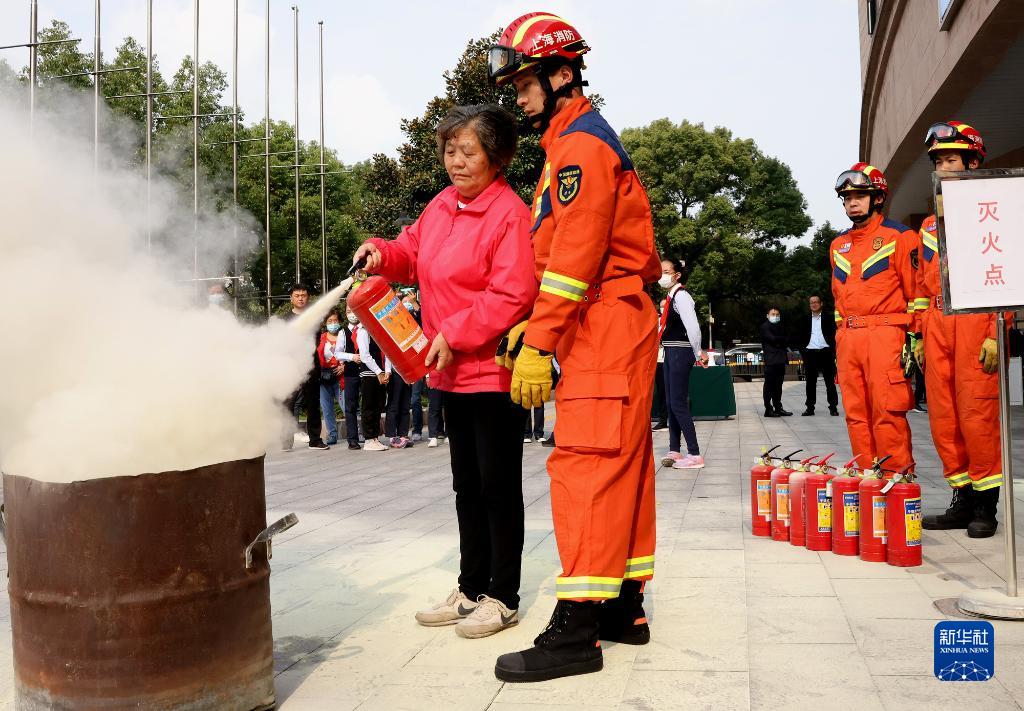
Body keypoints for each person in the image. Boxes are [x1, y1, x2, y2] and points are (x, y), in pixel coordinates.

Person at [488, 13, 662, 682]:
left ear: (562, 73)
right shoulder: (569, 146)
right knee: (622, 465)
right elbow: (554, 255)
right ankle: (623, 606)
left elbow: (576, 259)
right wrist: (526, 324)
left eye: (525, 83)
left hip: (602, 321)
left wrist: (541, 342)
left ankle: (577, 629)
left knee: (587, 465)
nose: (518, 97)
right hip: (609, 318)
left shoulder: (581, 148)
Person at [353, 103, 537, 639]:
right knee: (465, 486)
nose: (456, 161)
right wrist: (380, 254)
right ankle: (471, 585)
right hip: (448, 374)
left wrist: (451, 333)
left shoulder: (509, 216)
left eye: (468, 152)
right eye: (449, 151)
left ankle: (503, 596)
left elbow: (512, 294)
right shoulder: (442, 206)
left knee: (498, 487)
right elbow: (410, 252)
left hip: (491, 373)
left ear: (497, 157)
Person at [915, 122, 1005, 538]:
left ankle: (986, 507)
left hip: (973, 322)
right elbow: (920, 288)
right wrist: (916, 334)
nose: (943, 167)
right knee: (945, 420)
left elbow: (1004, 280)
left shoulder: (992, 213)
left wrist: (995, 330)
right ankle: (961, 499)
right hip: (935, 326)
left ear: (972, 161)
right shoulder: (930, 225)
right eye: (938, 161)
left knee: (977, 416)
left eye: (951, 159)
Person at [830, 163, 918, 473]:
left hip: (886, 335)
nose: (851, 202)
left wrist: (915, 338)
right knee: (855, 413)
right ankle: (866, 482)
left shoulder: (901, 237)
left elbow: (916, 294)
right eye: (846, 197)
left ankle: (896, 483)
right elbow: (838, 299)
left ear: (877, 197)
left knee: (887, 411)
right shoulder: (837, 245)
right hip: (849, 338)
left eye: (859, 196)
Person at [658, 258, 707, 469]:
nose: (662, 275)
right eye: (661, 271)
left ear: (677, 275)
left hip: (680, 350)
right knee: (670, 402)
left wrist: (698, 352)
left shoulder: (682, 296)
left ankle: (695, 454)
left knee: (678, 402)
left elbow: (693, 327)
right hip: (670, 350)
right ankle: (675, 449)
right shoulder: (670, 297)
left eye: (667, 271)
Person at [281, 283, 329, 450]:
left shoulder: (314, 317)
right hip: (291, 367)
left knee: (313, 403)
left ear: (307, 298)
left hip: (311, 366)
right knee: (288, 403)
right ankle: (286, 441)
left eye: (303, 295)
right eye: (297, 295)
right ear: (291, 298)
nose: (301, 298)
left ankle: (315, 440)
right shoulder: (285, 319)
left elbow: (316, 341)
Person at [796, 295, 839, 416]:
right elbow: (798, 336)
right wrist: (803, 350)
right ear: (809, 305)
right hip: (810, 353)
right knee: (810, 382)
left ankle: (833, 407)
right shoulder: (804, 319)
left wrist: (833, 349)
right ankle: (810, 407)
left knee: (829, 382)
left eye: (816, 302)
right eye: (811, 303)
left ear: (821, 304)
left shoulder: (829, 318)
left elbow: (835, 334)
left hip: (826, 352)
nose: (814, 304)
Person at [353, 317, 391, 451]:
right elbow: (364, 355)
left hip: (380, 373)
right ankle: (369, 438)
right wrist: (378, 371)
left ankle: (375, 437)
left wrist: (387, 371)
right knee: (368, 406)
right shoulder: (363, 331)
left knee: (378, 406)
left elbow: (387, 352)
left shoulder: (380, 331)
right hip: (369, 374)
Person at [317, 310, 346, 445]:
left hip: (341, 376)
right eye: (330, 321)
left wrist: (343, 366)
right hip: (324, 376)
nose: (333, 323)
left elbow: (355, 353)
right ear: (325, 323)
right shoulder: (321, 337)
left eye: (335, 321)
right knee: (326, 407)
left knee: (346, 405)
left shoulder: (345, 335)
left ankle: (357, 431)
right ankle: (332, 434)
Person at [339, 307, 364, 450]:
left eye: (354, 310)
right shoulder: (343, 332)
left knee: (368, 404)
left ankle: (370, 436)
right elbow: (338, 353)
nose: (352, 314)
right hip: (351, 372)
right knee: (350, 407)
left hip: (367, 370)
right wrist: (351, 357)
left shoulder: (366, 328)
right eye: (348, 311)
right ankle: (352, 439)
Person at [760, 307, 792, 417]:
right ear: (767, 315)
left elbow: (787, 339)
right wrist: (782, 339)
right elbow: (772, 339)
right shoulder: (765, 327)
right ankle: (768, 409)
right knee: (769, 386)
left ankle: (778, 408)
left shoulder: (781, 326)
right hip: (771, 360)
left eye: (777, 314)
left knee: (778, 386)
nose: (775, 316)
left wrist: (781, 340)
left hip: (781, 359)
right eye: (773, 314)